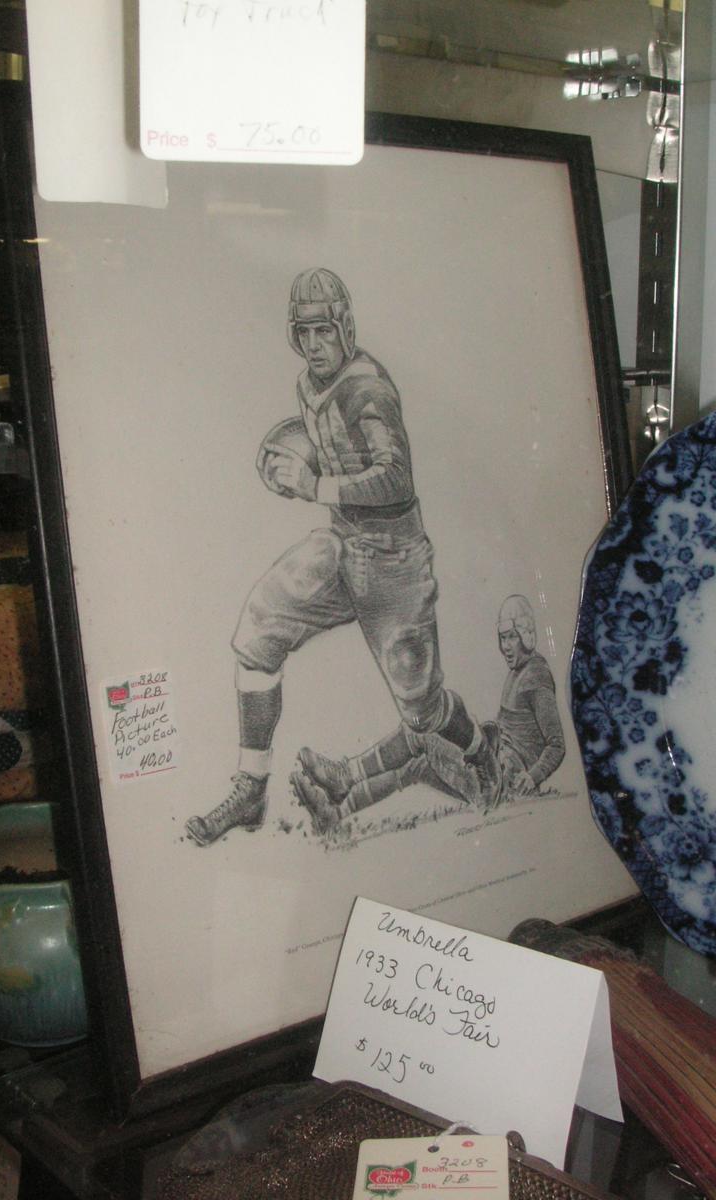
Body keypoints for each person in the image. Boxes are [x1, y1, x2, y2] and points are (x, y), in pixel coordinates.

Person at [185, 268, 499, 845]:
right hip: (342, 541)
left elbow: (396, 478)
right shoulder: (309, 385)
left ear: (345, 327)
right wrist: (288, 458)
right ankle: (250, 789)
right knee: (257, 634)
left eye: (323, 331)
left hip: (393, 558)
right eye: (303, 333)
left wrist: (312, 484)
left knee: (423, 711)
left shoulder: (367, 387)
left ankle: (482, 750)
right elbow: (329, 446)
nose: (313, 345)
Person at [291, 593, 566, 834]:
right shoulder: (520, 672)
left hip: (501, 784)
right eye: (503, 638)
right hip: (494, 773)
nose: (505, 646)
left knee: (420, 730)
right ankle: (333, 814)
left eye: (511, 637)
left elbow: (557, 745)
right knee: (416, 767)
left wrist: (532, 778)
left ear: (526, 636)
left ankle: (347, 774)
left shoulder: (535, 676)